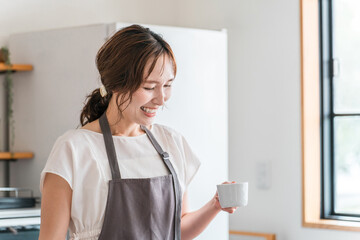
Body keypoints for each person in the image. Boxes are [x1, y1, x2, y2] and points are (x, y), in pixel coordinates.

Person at [39, 24, 236, 240]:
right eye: (149, 87)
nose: (161, 99)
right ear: (116, 84)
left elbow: (177, 229)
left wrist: (214, 206)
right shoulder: (73, 150)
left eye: (168, 85)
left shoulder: (171, 143)